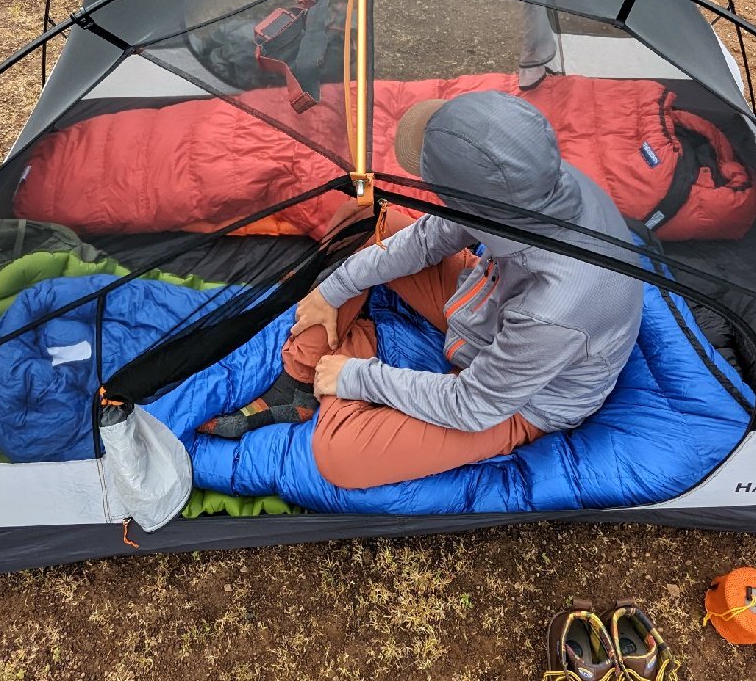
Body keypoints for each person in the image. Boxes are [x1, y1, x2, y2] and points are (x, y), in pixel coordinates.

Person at [200, 90, 644, 490]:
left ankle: (354, 347)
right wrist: (332, 291)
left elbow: (474, 404)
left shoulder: (555, 310)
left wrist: (358, 376)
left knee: (343, 458)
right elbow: (429, 236)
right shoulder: (531, 178)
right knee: (369, 221)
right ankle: (297, 380)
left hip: (521, 398)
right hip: (487, 297)